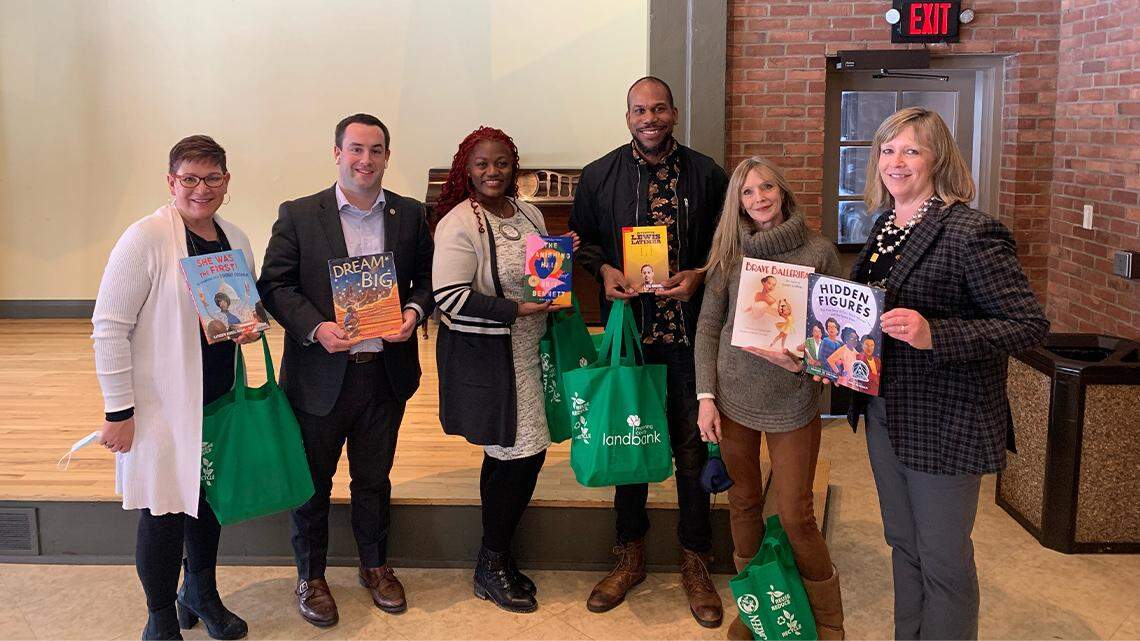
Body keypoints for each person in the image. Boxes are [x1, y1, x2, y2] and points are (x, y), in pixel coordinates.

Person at [846, 107, 1048, 640]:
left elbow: (1027, 325)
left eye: (911, 150)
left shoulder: (971, 231)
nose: (896, 161)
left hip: (947, 420)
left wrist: (936, 333)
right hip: (885, 410)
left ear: (938, 159)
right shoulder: (884, 226)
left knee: (943, 560)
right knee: (904, 544)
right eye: (887, 149)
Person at [257, 113, 434, 627]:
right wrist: (316, 328)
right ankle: (310, 576)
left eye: (376, 150)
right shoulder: (298, 214)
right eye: (356, 149)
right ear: (337, 152)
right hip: (319, 376)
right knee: (312, 483)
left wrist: (414, 312)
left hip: (385, 373)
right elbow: (275, 287)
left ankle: (375, 566)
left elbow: (425, 279)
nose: (365, 160)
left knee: (374, 480)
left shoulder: (409, 214)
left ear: (386, 156)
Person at [569, 76, 729, 628]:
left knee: (690, 452)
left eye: (659, 108)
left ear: (674, 112)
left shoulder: (708, 174)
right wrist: (605, 270)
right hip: (629, 335)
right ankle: (629, 556)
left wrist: (701, 275)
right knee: (627, 442)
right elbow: (582, 241)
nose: (650, 117)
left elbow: (725, 244)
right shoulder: (599, 175)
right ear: (628, 115)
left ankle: (695, 562)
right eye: (640, 109)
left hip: (688, 336)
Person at [92, 135, 256, 640]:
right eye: (190, 178)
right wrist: (119, 411)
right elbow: (109, 327)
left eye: (212, 178)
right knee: (163, 511)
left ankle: (200, 593)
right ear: (171, 182)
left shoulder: (236, 238)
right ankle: (160, 615)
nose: (201, 189)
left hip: (217, 398)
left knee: (206, 504)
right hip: (161, 404)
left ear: (227, 183)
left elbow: (237, 309)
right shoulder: (144, 238)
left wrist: (249, 323)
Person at [693, 156, 845, 640]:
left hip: (792, 398)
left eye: (766, 187)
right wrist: (705, 396)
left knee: (797, 513)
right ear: (737, 202)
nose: (758, 198)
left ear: (782, 191)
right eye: (747, 192)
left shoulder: (819, 252)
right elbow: (708, 327)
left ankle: (827, 621)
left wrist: (804, 362)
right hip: (733, 396)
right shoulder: (729, 253)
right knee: (742, 502)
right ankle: (756, 609)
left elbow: (834, 335)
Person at [432, 126, 579, 614]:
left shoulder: (530, 212)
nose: (492, 172)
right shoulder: (458, 222)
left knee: (512, 454)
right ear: (466, 170)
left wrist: (560, 257)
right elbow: (448, 299)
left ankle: (495, 557)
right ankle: (491, 562)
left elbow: (543, 276)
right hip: (492, 357)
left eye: (501, 163)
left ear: (514, 165)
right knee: (519, 455)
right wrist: (516, 310)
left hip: (533, 349)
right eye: (481, 164)